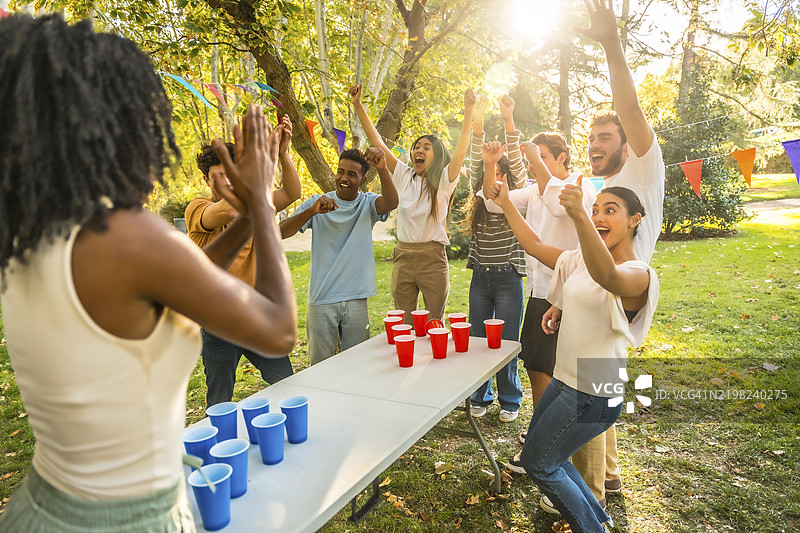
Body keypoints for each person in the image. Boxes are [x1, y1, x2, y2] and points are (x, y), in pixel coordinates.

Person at [0, 14, 296, 531]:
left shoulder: (29, 233)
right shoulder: (126, 236)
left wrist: (250, 215)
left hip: (42, 509)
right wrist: (262, 201)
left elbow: (181, 280)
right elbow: (279, 330)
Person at [486, 157, 659, 533]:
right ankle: (600, 522)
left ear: (635, 220)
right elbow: (534, 245)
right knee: (551, 456)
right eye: (596, 209)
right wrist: (504, 205)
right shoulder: (581, 260)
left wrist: (581, 216)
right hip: (566, 380)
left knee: (540, 462)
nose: (599, 216)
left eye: (610, 211)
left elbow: (606, 275)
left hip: (595, 389)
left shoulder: (639, 274)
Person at [566, 0, 667, 515]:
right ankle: (610, 476)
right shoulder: (602, 189)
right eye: (591, 139)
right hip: (599, 300)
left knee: (589, 398)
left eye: (605, 139)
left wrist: (610, 42)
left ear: (629, 145)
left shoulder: (645, 172)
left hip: (622, 294)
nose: (595, 146)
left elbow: (629, 109)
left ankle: (590, 503)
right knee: (602, 395)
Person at [186, 114, 301, 407]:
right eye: (218, 178)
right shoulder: (198, 208)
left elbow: (292, 193)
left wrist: (283, 154)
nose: (226, 183)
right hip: (219, 325)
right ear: (205, 179)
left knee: (288, 386)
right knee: (220, 401)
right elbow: (222, 210)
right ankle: (217, 449)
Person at [349, 84, 475, 322]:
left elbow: (460, 152)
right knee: (404, 326)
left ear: (436, 155)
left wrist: (468, 112)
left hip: (432, 259)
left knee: (433, 325)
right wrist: (358, 105)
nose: (419, 150)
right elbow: (377, 140)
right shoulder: (404, 175)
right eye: (417, 146)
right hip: (403, 257)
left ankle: (431, 360)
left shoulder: (444, 180)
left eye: (427, 147)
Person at [279, 147, 399, 365]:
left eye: (352, 174)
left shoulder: (367, 203)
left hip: (356, 299)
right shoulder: (318, 203)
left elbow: (391, 203)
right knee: (319, 367)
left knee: (357, 365)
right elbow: (280, 232)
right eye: (340, 172)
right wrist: (310, 212)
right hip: (322, 299)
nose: (344, 178)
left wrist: (382, 169)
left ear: (362, 179)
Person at [464, 95, 526, 423]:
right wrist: (476, 116)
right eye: (494, 169)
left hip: (508, 277)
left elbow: (514, 161)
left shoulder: (518, 197)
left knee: (506, 342)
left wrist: (508, 118)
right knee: (478, 340)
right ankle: (480, 394)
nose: (499, 172)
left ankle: (510, 400)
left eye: (503, 169)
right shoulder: (483, 194)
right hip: (481, 278)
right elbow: (480, 159)